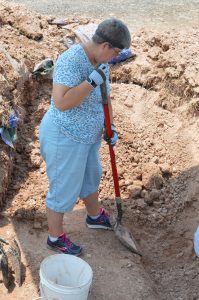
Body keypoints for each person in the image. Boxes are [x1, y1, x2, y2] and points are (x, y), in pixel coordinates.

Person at [39, 18, 131, 256]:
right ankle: (55, 237)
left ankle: (93, 216)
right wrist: (91, 81)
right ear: (105, 46)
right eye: (116, 52)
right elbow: (60, 102)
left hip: (89, 136)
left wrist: (110, 127)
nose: (115, 58)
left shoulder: (102, 63)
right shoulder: (71, 60)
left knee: (91, 175)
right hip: (65, 135)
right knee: (63, 186)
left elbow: (105, 95)